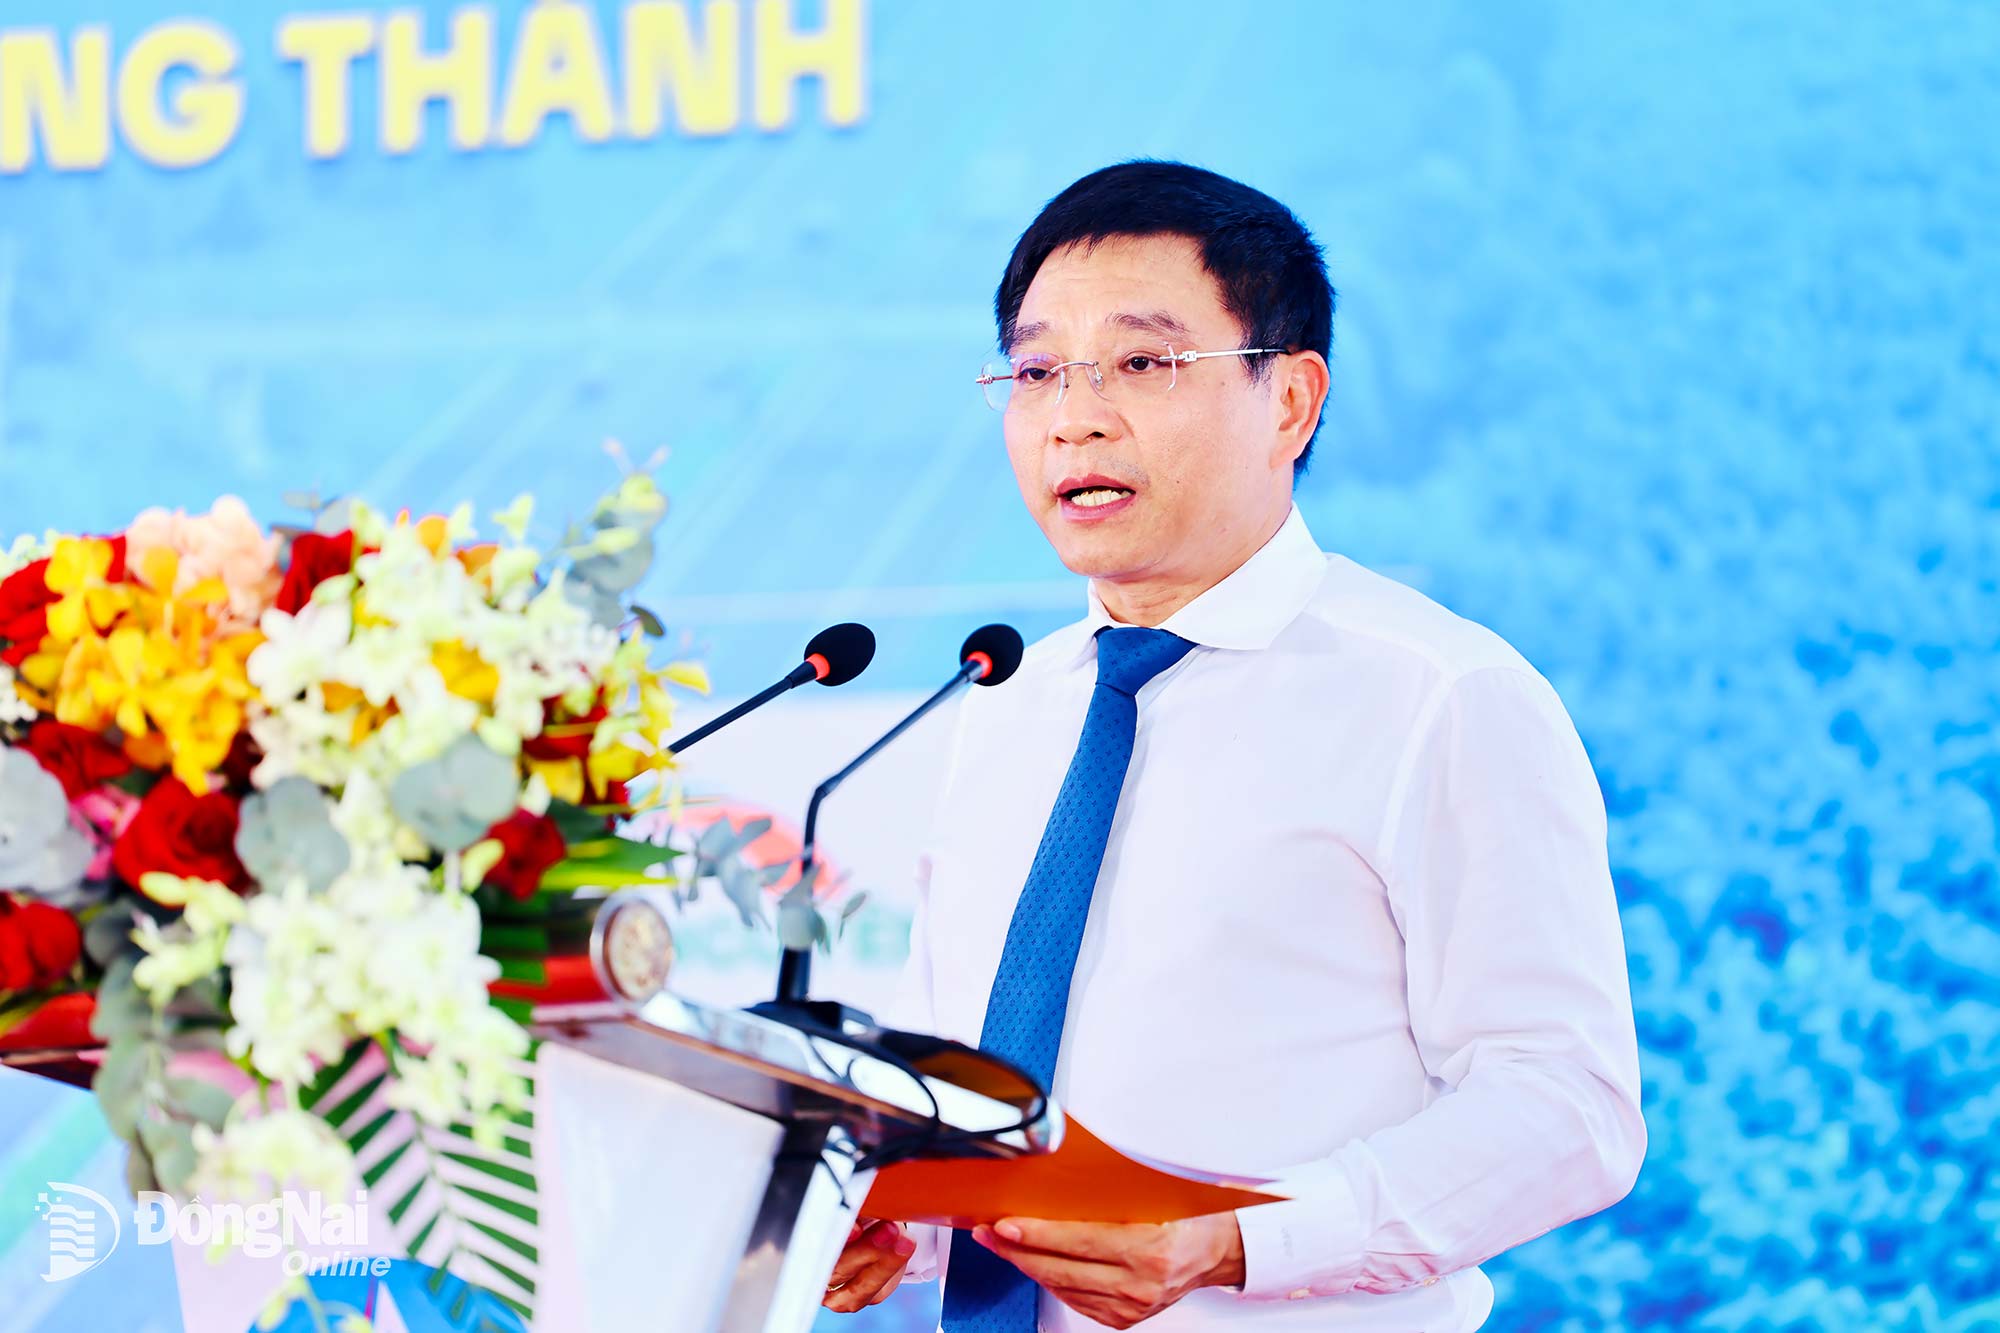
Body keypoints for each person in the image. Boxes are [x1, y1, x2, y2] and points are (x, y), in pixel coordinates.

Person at [822, 160, 1645, 1332]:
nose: (1073, 416)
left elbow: (1565, 1106)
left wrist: (1238, 1241)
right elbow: (964, 1085)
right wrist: (881, 1219)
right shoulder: (1010, 701)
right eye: (1038, 370)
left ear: (1290, 401)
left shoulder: (1437, 695)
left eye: (1142, 363)